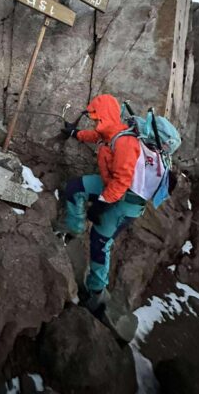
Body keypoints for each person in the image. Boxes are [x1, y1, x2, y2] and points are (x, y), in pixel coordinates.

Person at [61, 93, 146, 318]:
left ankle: (96, 292)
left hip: (126, 200)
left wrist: (100, 205)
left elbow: (122, 182)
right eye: (94, 118)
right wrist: (75, 133)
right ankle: (75, 230)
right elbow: (96, 135)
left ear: (107, 115)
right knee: (74, 188)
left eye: (98, 118)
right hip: (111, 186)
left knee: (100, 242)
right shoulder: (110, 131)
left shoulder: (126, 142)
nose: (95, 123)